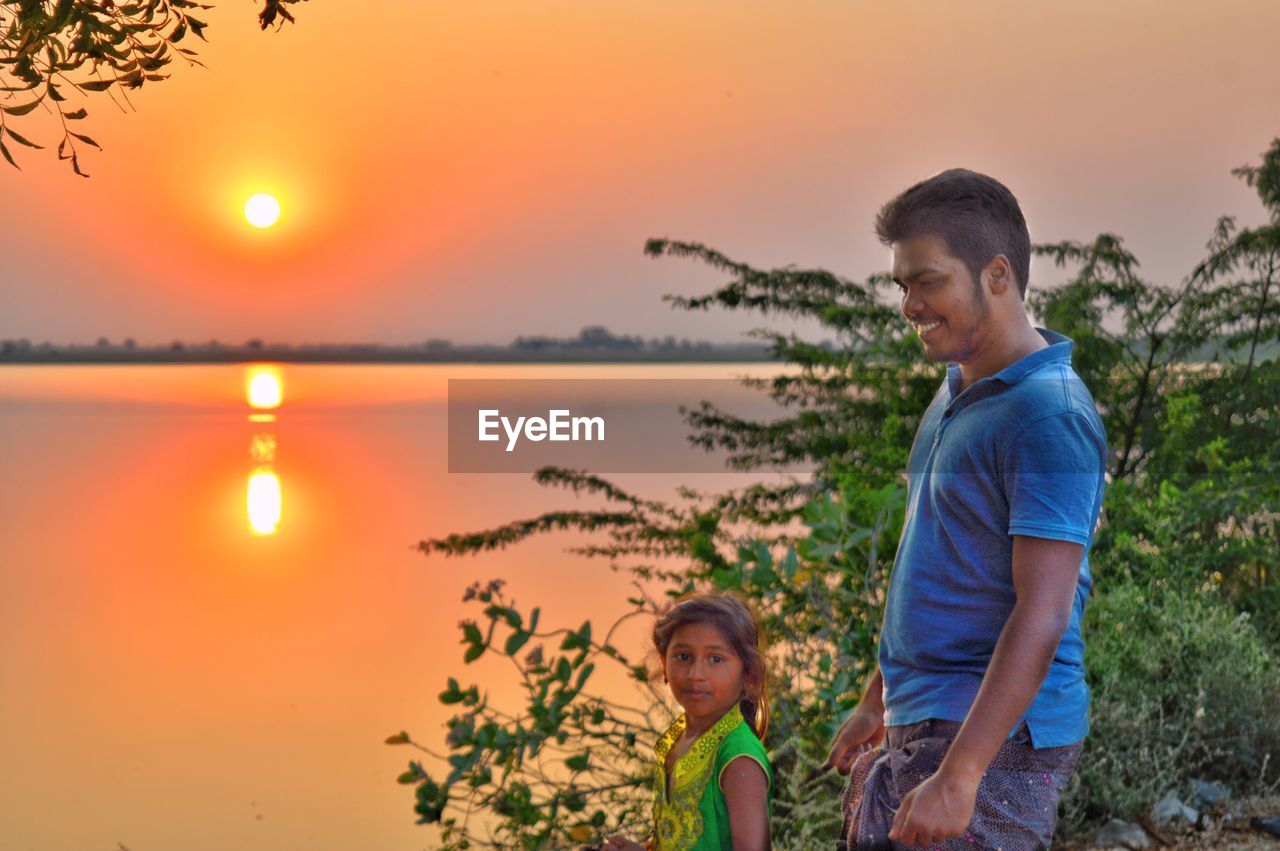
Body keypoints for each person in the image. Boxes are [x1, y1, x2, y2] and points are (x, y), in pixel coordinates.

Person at [824, 169, 1108, 849]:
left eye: (928, 281)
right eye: (902, 284)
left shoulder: (1047, 415)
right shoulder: (958, 386)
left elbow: (1041, 612)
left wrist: (961, 774)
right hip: (927, 719)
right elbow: (938, 559)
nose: (909, 305)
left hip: (992, 737)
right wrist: (877, 699)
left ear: (998, 275)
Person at [604, 593, 773, 851]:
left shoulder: (739, 757)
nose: (696, 674)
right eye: (683, 657)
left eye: (715, 659)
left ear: (748, 674)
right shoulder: (677, 739)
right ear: (664, 663)